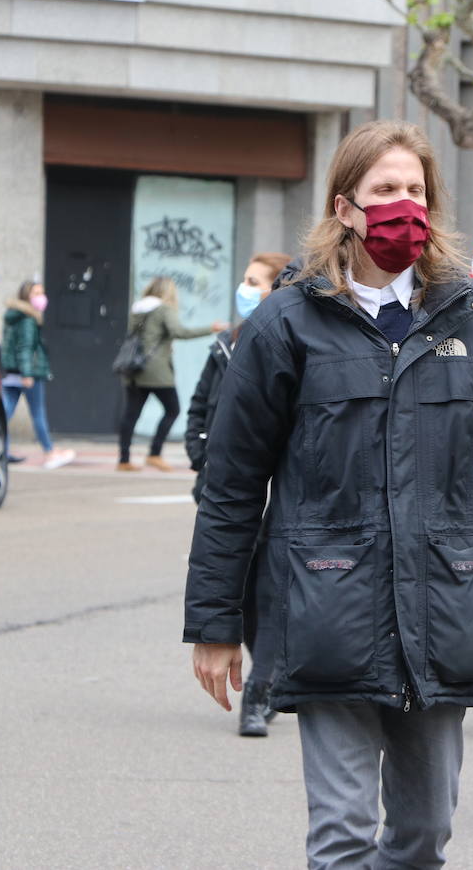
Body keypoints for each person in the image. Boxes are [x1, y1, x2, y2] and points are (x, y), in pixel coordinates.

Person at [185, 119, 473, 869]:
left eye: (416, 190)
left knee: (424, 836)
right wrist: (215, 621)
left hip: (442, 608)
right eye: (385, 189)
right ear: (344, 206)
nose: (403, 205)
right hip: (328, 609)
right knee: (343, 834)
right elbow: (231, 485)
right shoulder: (286, 321)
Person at [183, 250, 290, 737]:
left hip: (282, 497)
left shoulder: (291, 342)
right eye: (245, 280)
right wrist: (201, 457)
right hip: (230, 486)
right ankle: (268, 671)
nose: (245, 289)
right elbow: (199, 408)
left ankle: (260, 690)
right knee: (241, 593)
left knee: (271, 593)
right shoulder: (225, 344)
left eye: (255, 281)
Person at [117, 277, 228, 473]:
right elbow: (179, 332)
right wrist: (211, 329)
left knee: (130, 414)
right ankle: (154, 453)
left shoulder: (137, 308)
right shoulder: (164, 309)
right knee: (172, 409)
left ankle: (124, 459)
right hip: (156, 371)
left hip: (133, 369)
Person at [0, 281, 74, 470]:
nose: (41, 297)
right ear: (26, 296)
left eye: (42, 292)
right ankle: (49, 452)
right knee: (38, 413)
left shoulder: (13, 316)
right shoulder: (27, 318)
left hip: (11, 373)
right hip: (27, 373)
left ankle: (1, 450)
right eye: (36, 293)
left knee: (3, 413)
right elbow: (25, 347)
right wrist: (27, 373)